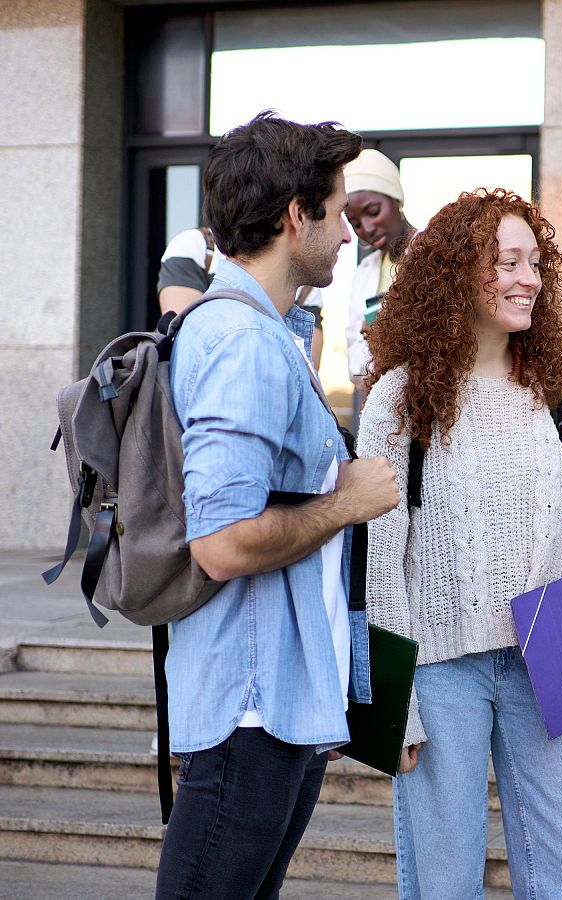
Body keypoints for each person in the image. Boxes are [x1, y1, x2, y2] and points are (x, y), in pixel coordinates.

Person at [359, 188, 562, 899]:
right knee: (445, 884)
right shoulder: (398, 398)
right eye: (506, 263)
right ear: (458, 276)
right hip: (436, 668)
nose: (529, 279)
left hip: (546, 654)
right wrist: (395, 704)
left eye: (535, 263)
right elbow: (382, 559)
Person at [154, 111, 399, 899]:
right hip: (247, 712)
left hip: (274, 705)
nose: (348, 233)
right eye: (334, 210)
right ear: (297, 218)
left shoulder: (267, 334)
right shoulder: (243, 343)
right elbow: (222, 543)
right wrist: (346, 501)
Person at [159, 224, 325, 370]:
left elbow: (306, 371)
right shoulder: (196, 246)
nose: (346, 235)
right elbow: (189, 346)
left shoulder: (304, 283)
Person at [343, 149, 417, 386]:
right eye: (355, 223)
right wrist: (374, 340)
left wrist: (390, 334)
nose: (367, 228)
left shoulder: (435, 255)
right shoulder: (365, 272)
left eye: (373, 212)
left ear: (396, 199)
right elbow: (356, 368)